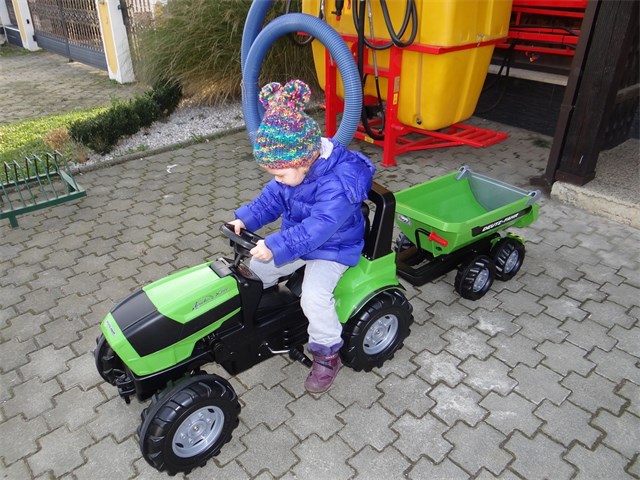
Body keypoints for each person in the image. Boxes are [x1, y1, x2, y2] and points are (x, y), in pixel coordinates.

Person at [229, 79, 376, 393]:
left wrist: (276, 245)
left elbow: (318, 229)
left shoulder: (337, 184)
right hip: (299, 242)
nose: (278, 179)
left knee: (314, 296)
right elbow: (271, 199)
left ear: (304, 160)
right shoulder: (293, 171)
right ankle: (267, 317)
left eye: (280, 174)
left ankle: (327, 353)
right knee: (255, 269)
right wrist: (244, 218)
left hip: (333, 248)